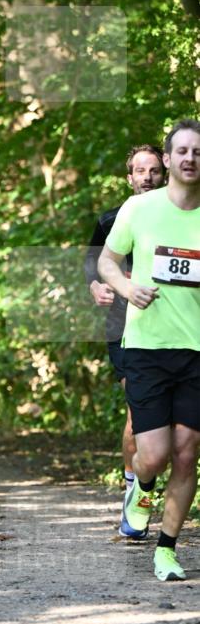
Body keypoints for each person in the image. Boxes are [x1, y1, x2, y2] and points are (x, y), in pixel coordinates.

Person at [98, 119, 200, 581]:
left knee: (187, 450)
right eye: (182, 151)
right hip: (146, 347)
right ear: (169, 158)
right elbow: (107, 260)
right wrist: (125, 287)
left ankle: (167, 548)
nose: (190, 159)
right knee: (154, 455)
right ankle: (140, 488)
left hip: (196, 349)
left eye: (197, 152)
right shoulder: (138, 210)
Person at [84, 144, 165, 533]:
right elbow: (93, 263)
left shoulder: (180, 214)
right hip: (124, 327)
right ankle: (134, 492)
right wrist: (96, 287)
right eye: (139, 171)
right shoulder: (111, 218)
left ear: (163, 173)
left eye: (153, 170)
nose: (147, 177)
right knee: (137, 412)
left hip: (174, 327)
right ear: (128, 177)